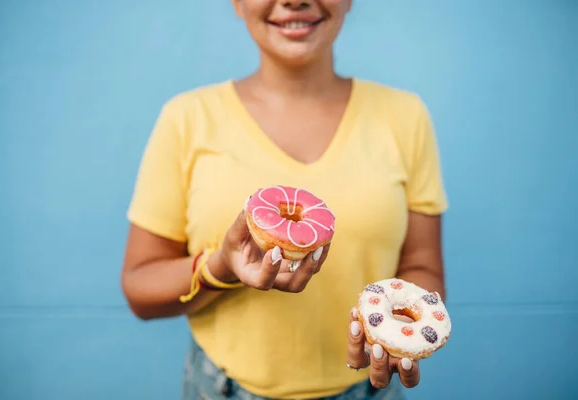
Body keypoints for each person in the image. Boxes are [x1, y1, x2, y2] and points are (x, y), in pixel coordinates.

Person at [121, 0, 449, 399]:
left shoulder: (404, 116)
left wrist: (399, 341)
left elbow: (421, 266)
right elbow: (139, 289)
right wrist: (220, 268)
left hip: (368, 390)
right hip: (221, 388)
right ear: (237, 4)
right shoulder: (186, 119)